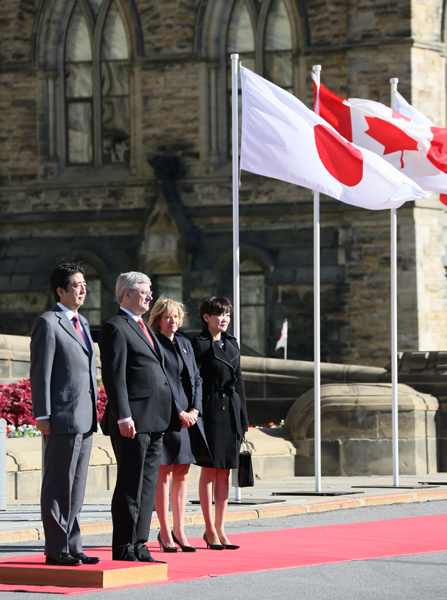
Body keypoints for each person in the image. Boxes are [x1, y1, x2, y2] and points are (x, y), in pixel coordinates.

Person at [99, 272, 180, 562]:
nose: (149, 296)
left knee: (147, 486)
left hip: (155, 419)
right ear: (127, 294)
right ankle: (123, 546)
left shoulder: (143, 326)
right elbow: (114, 376)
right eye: (144, 292)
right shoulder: (116, 328)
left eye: (150, 291)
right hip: (133, 420)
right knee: (130, 484)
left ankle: (139, 544)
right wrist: (123, 416)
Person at [30, 261, 99, 567]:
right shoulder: (49, 322)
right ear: (61, 290)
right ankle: (56, 548)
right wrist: (42, 414)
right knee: (58, 484)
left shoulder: (82, 324)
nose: (82, 290)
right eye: (76, 285)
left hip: (85, 417)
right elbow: (40, 373)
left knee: (77, 486)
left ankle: (73, 544)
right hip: (60, 416)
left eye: (85, 284)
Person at [149, 296, 210, 553]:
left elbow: (196, 379)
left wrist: (195, 409)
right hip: (167, 416)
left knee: (183, 471)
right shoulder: (153, 343)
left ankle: (179, 529)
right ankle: (164, 531)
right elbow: (158, 381)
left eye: (176, 316)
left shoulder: (185, 343)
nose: (172, 321)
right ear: (158, 320)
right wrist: (179, 412)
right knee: (164, 473)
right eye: (167, 317)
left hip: (188, 417)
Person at [192, 296, 249, 550]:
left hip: (231, 412)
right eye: (218, 314)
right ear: (206, 317)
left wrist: (244, 419)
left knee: (225, 471)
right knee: (209, 470)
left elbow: (239, 383)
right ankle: (209, 529)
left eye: (227, 314)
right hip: (210, 410)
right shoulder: (199, 344)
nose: (223, 319)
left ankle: (221, 528)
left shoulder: (233, 344)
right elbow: (193, 381)